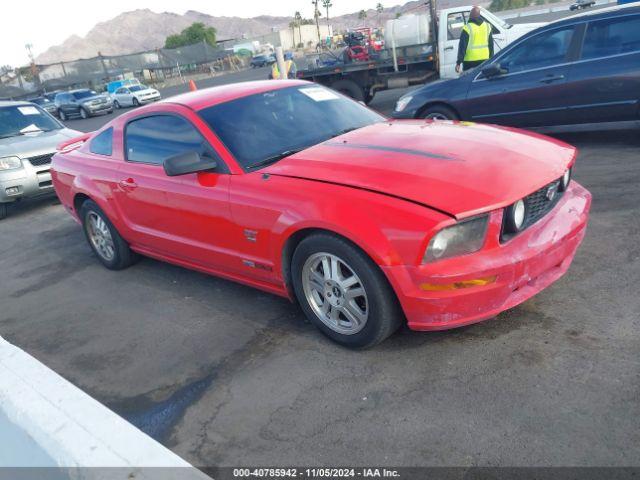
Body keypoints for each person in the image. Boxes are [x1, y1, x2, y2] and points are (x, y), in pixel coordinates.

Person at [456, 6, 494, 73]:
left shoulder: (467, 28)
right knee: (483, 80)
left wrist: (458, 62)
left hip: (469, 62)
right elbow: (491, 45)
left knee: (469, 81)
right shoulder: (487, 26)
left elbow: (462, 47)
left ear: (471, 15)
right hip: (485, 60)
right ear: (479, 15)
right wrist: (491, 58)